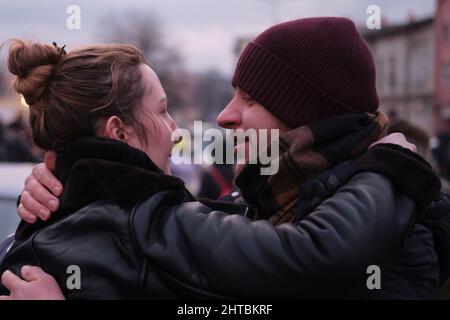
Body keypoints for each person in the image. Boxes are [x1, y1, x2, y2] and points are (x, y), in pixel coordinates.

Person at [1, 18, 445, 299]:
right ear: (118, 132)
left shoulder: (393, 238)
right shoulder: (149, 219)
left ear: (305, 115)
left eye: (249, 98)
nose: (222, 117)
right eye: (163, 110)